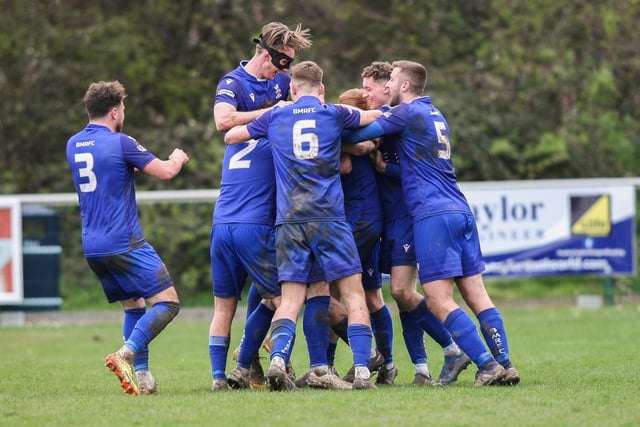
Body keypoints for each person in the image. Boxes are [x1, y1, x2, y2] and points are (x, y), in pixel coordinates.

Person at [346, 60, 520, 386]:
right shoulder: (435, 114)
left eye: (392, 80)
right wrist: (388, 170)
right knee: (477, 295)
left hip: (432, 215)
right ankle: (505, 363)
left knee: (439, 299)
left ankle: (485, 364)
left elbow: (359, 133)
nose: (388, 87)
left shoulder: (405, 113)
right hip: (460, 209)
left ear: (405, 86)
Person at [224, 61, 382, 390]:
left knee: (291, 299)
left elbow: (231, 135)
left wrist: (265, 117)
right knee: (354, 294)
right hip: (329, 217)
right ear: (321, 90)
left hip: (289, 219)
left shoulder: (275, 116)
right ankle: (363, 370)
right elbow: (376, 119)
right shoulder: (334, 113)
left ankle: (279, 358)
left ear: (292, 90)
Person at [66, 80, 189, 395]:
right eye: (123, 109)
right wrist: (177, 157)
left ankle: (143, 378)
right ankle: (125, 354)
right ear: (114, 111)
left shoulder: (73, 144)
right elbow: (164, 172)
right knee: (168, 303)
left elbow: (104, 172)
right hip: (124, 241)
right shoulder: (121, 141)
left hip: (93, 246)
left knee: (134, 307)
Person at [208, 22, 312, 390]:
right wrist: (271, 114)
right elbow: (224, 122)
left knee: (233, 303)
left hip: (229, 218)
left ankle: (228, 374)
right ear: (265, 54)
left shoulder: (281, 83)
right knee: (283, 297)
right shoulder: (233, 84)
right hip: (252, 220)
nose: (285, 72)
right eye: (282, 63)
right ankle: (246, 363)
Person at [360, 61, 471, 386]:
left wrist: (384, 168)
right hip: (386, 222)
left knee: (402, 291)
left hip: (409, 218)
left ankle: (453, 349)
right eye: (363, 89)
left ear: (389, 87)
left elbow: (416, 170)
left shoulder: (399, 121)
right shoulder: (389, 119)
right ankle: (420, 367)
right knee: (400, 295)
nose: (367, 94)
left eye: (370, 88)